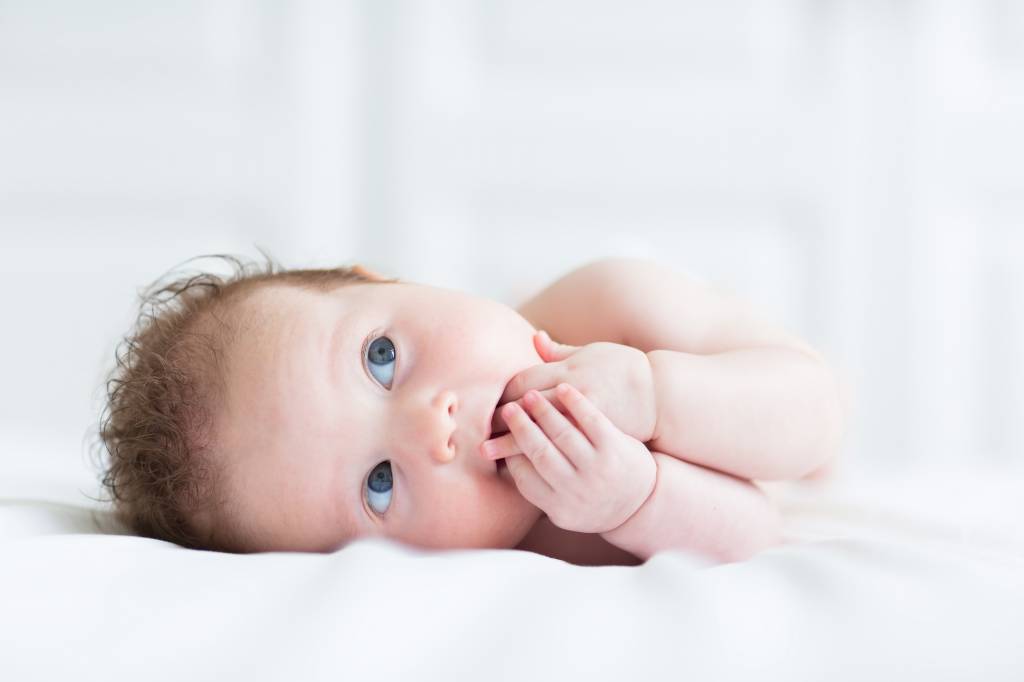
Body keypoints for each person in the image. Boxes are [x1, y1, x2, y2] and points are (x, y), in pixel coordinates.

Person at [98, 255, 844, 566]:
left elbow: (816, 414)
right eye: (379, 484)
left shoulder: (614, 304)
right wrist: (637, 498)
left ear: (382, 278)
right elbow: (754, 531)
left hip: (758, 380)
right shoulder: (522, 545)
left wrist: (654, 392)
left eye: (380, 358)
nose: (434, 427)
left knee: (814, 453)